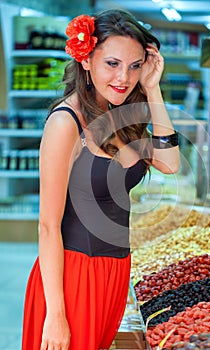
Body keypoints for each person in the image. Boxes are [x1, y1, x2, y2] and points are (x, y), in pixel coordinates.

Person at [22, 8, 180, 350]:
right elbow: (48, 226)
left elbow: (170, 162)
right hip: (73, 278)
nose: (124, 77)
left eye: (135, 65)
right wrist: (55, 314)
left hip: (114, 273)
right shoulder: (66, 123)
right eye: (112, 63)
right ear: (86, 61)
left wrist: (153, 90)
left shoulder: (119, 114)